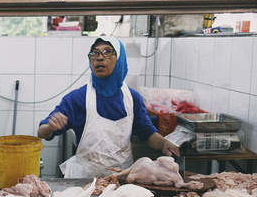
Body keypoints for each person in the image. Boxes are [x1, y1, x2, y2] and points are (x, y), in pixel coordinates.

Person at [37, 36, 179, 179]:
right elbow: (42, 132)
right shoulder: (77, 98)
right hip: (84, 181)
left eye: (108, 52)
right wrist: (50, 127)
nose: (99, 58)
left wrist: (164, 143)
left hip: (121, 179)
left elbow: (146, 133)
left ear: (120, 59)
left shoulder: (132, 98)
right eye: (95, 53)